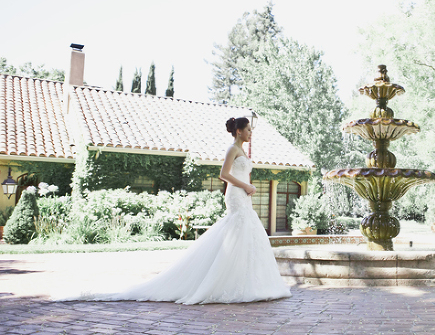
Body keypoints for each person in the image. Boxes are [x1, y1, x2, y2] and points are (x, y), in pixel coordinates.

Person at [54, 117, 291, 304]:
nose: (251, 133)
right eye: (248, 130)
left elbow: (241, 173)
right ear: (239, 131)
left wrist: (248, 185)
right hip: (237, 195)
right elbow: (223, 174)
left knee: (245, 236)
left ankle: (248, 282)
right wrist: (246, 186)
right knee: (237, 231)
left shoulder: (244, 151)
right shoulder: (232, 149)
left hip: (244, 196)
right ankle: (221, 281)